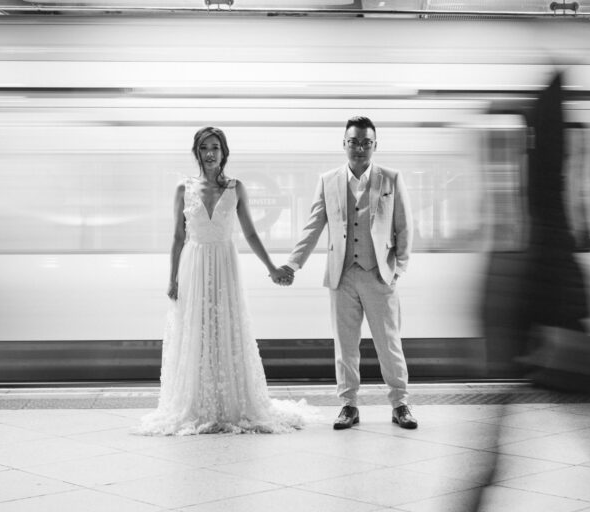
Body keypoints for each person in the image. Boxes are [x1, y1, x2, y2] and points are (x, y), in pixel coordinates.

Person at [135, 127, 310, 435]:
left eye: (216, 147)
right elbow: (178, 236)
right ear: (197, 153)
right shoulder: (184, 189)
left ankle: (229, 403)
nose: (211, 153)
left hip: (226, 267)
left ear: (224, 152)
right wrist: (172, 278)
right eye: (205, 148)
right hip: (194, 267)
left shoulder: (235, 188)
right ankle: (199, 404)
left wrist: (271, 268)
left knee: (226, 329)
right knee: (197, 332)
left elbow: (252, 233)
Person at [275, 116, 417, 430]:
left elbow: (404, 227)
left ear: (375, 145)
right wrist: (293, 263)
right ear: (344, 144)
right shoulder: (328, 180)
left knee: (389, 343)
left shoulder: (391, 178)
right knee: (345, 345)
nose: (360, 147)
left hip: (379, 274)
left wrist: (397, 271)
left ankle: (400, 404)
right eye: (354, 141)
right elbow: (313, 226)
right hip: (341, 276)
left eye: (366, 142)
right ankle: (348, 406)